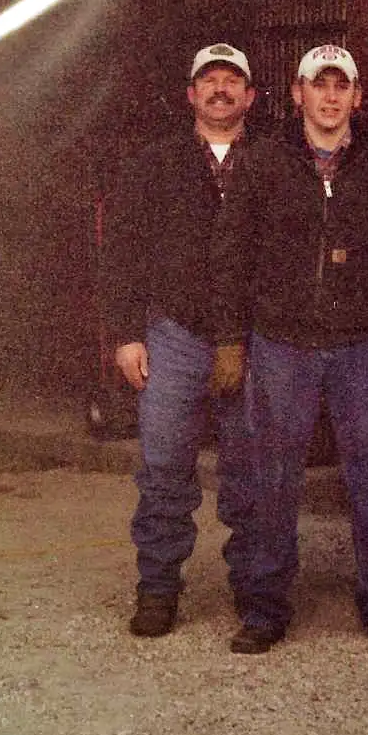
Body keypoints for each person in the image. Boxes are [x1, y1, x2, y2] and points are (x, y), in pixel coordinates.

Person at [213, 44, 368, 655]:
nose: (330, 97)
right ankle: (263, 609)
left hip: (361, 348)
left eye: (342, 86)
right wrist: (231, 339)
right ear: (298, 93)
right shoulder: (261, 164)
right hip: (281, 345)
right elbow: (229, 258)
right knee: (271, 480)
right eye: (319, 85)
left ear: (359, 98)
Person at [100, 43, 260, 639]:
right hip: (174, 337)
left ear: (250, 96)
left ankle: (254, 586)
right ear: (191, 94)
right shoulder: (152, 165)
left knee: (251, 470)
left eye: (232, 81)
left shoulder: (272, 162)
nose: (221, 90)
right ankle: (158, 588)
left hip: (250, 340)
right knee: (164, 467)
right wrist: (124, 335)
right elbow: (120, 255)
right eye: (209, 81)